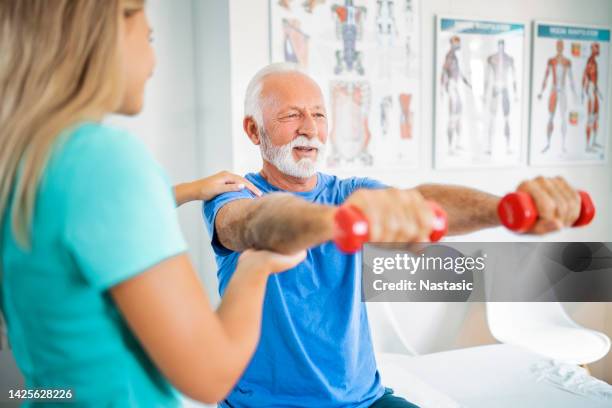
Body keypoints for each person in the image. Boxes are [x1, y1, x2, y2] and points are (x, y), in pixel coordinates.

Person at [203, 62, 583, 407]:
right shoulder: (233, 193)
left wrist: (506, 209)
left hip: (363, 401)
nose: (309, 127)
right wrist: (339, 222)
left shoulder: (351, 191)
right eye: (291, 115)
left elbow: (420, 203)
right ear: (254, 129)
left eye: (318, 114)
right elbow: (255, 222)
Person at [0, 1, 305, 406]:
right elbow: (211, 375)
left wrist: (191, 189)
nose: (154, 59)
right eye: (149, 37)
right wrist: (255, 265)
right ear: (104, 34)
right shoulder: (105, 161)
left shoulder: (25, 160)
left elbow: (91, 225)